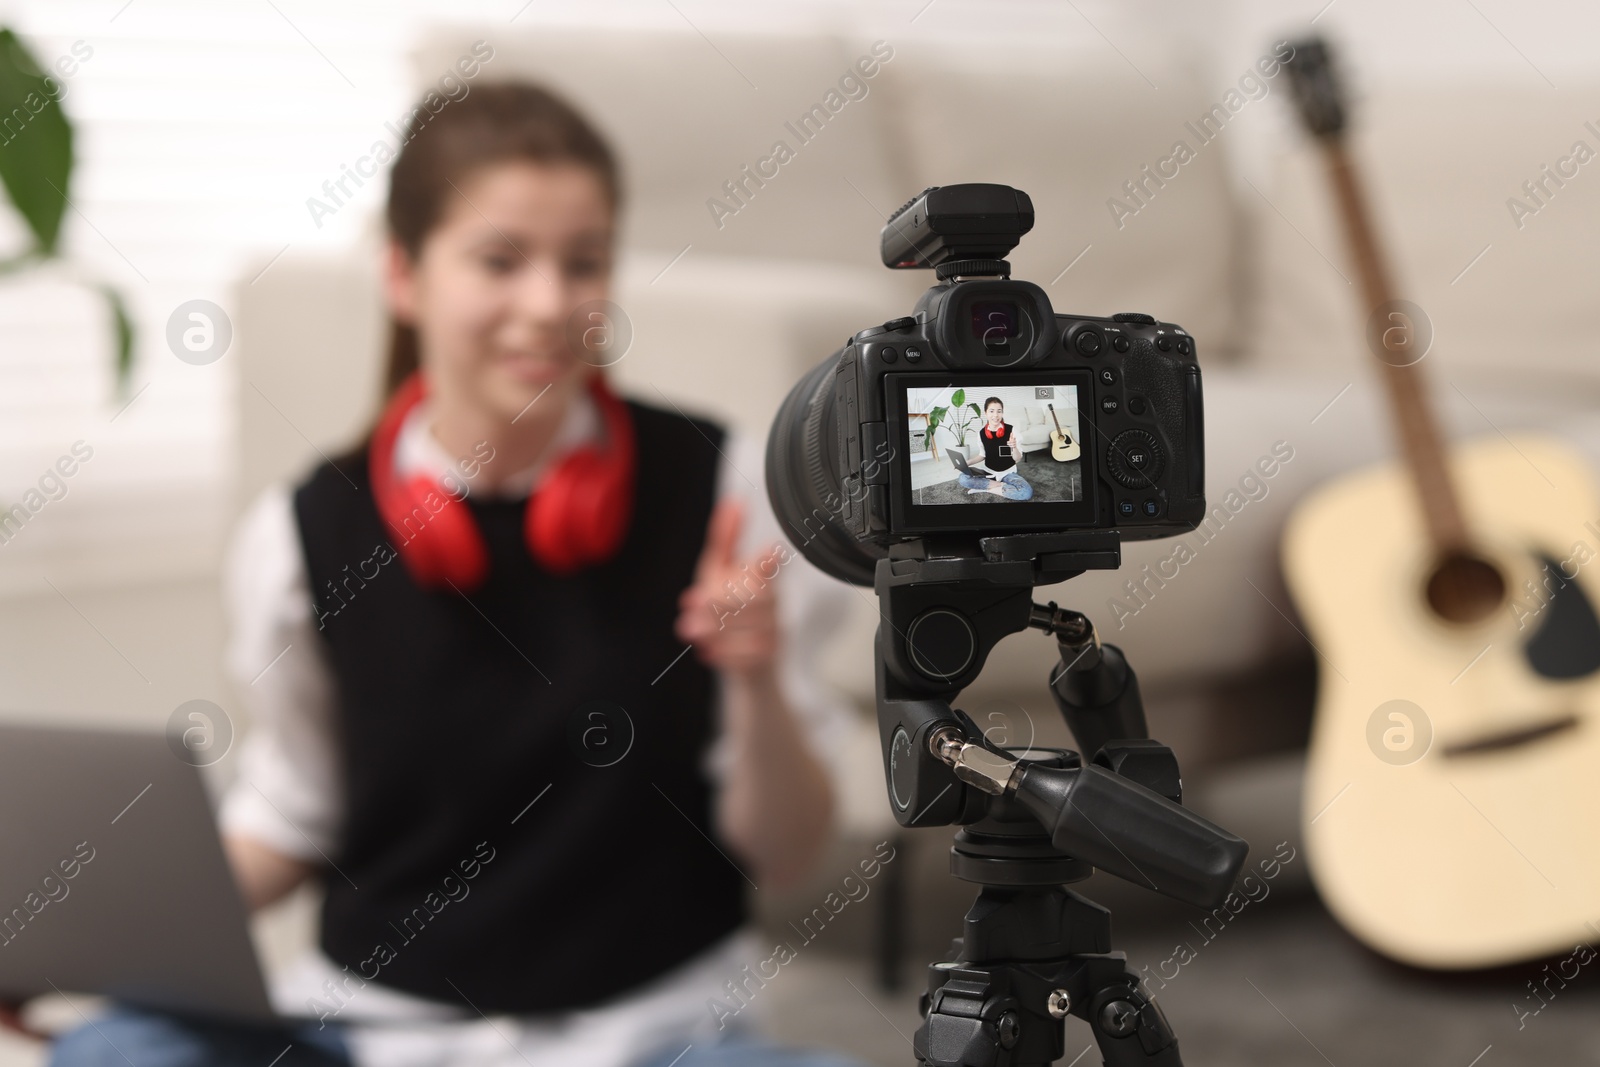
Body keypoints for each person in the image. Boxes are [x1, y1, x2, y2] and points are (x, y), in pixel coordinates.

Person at [42, 82, 865, 1067]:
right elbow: (291, 812)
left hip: (645, 1037)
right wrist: (57, 942)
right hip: (375, 1031)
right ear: (403, 274)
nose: (551, 304)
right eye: (500, 260)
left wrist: (754, 674)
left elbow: (784, 850)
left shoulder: (723, 488)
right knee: (112, 1049)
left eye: (584, 262)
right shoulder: (302, 533)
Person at [953, 397, 1033, 501]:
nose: (995, 415)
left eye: (999, 411)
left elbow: (1017, 459)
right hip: (988, 472)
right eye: (991, 411)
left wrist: (1014, 447)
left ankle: (986, 488)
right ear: (986, 413)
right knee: (963, 478)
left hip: (1008, 473)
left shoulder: (1011, 430)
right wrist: (966, 463)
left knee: (1026, 492)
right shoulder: (981, 433)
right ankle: (999, 485)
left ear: (1002, 413)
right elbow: (982, 455)